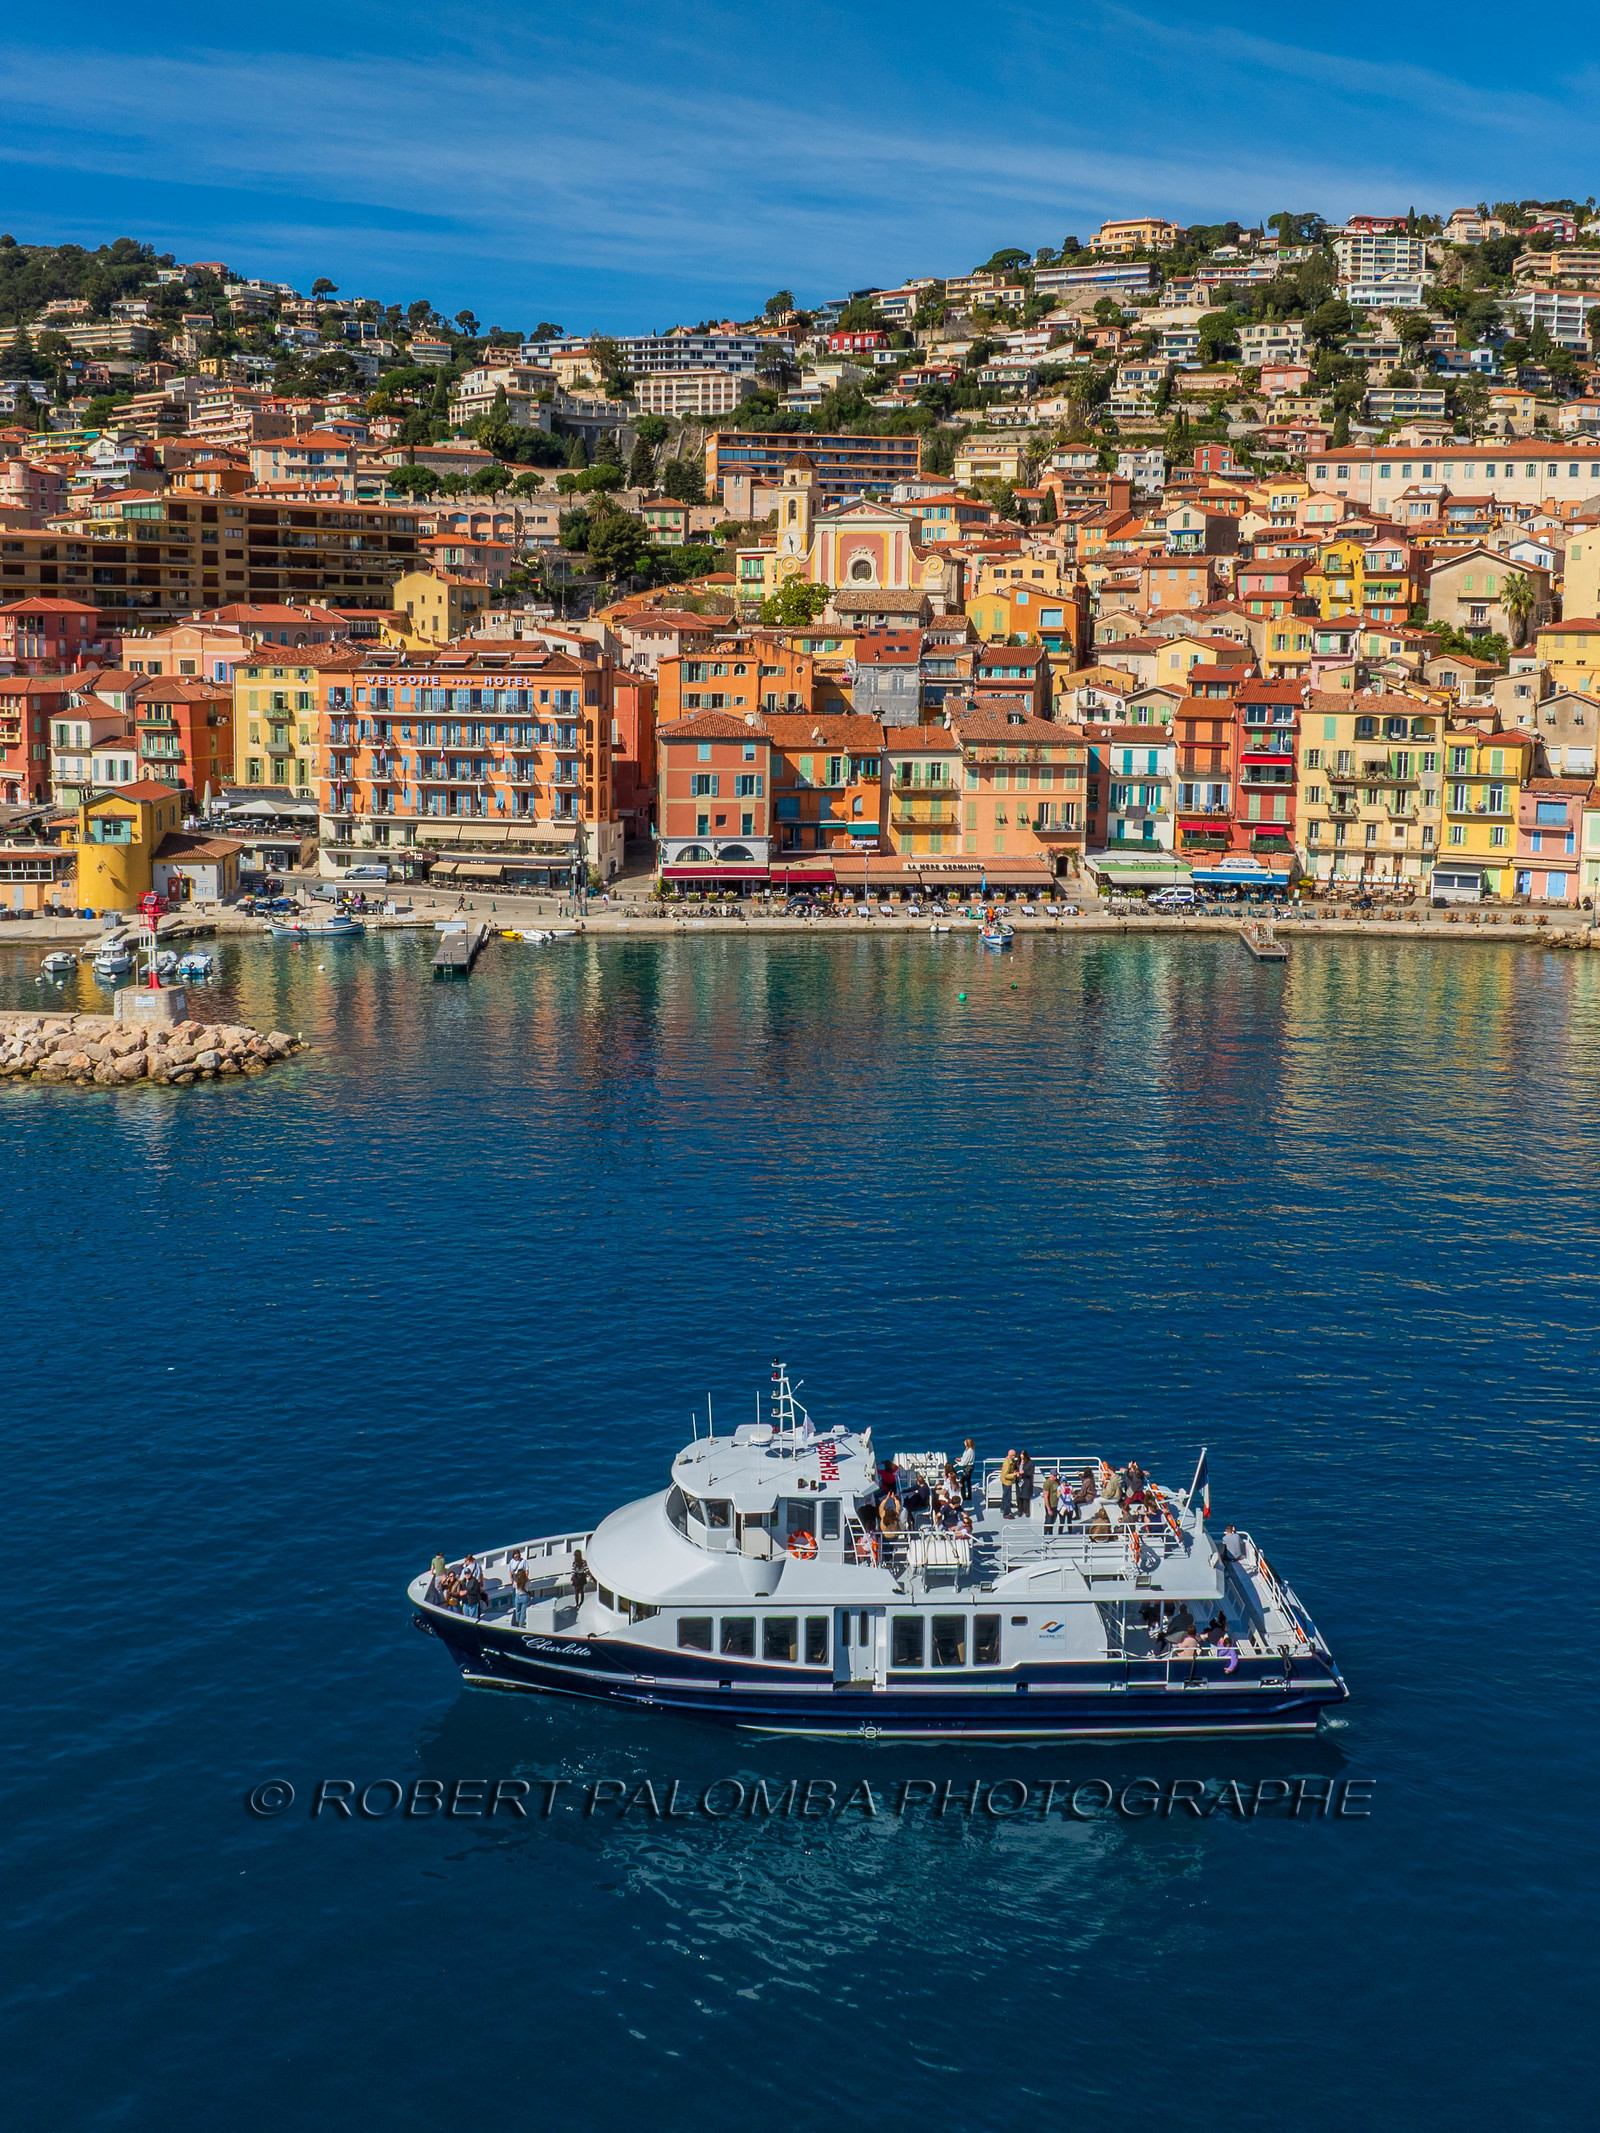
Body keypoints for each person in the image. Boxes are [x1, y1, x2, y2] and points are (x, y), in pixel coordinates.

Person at [509, 1550, 532, 1628]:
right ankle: (521, 1624)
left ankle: (517, 1621)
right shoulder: (527, 1582)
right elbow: (529, 1587)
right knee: (523, 1611)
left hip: (518, 1596)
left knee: (517, 1609)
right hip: (524, 1596)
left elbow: (514, 1586)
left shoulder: (523, 1561)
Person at [570, 1547, 592, 1613]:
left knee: (576, 1592)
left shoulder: (574, 1563)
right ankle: (581, 1603)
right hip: (582, 1577)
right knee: (582, 1591)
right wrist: (589, 1576)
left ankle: (577, 1604)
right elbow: (586, 1570)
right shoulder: (584, 1562)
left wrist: (572, 1578)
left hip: (576, 1578)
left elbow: (573, 1572)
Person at [999, 1448, 1019, 1519]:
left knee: (1005, 1495)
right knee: (1008, 1498)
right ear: (1011, 1456)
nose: (1015, 1457)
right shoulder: (1007, 1464)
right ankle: (1006, 1514)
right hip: (1007, 1482)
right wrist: (1014, 1475)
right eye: (1014, 1455)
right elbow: (1006, 1475)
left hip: (1005, 1481)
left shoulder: (1009, 1461)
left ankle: (1002, 1508)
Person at [1016, 1449, 1035, 1521]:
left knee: (1026, 1497)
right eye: (1020, 1454)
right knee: (1019, 1496)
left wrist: (1024, 1472)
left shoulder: (1030, 1463)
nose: (1021, 1456)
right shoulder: (1018, 1462)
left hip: (1026, 1481)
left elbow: (1031, 1473)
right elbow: (1015, 1469)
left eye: (1023, 1454)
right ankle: (1020, 1510)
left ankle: (1027, 1511)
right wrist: (1017, 1473)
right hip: (1019, 1480)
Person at [1041, 1470, 1062, 1536]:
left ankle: (1050, 1533)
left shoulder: (1057, 1482)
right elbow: (1046, 1497)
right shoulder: (1047, 1483)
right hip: (1050, 1505)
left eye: (1056, 1475)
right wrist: (1049, 1509)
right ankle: (1045, 1534)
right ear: (1050, 1475)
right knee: (1048, 1521)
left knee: (1053, 1520)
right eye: (1054, 1475)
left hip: (1056, 1505)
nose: (1055, 1477)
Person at [956, 1438, 976, 1503]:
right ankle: (969, 1496)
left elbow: (964, 1462)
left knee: (961, 1482)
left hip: (968, 1468)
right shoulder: (971, 1449)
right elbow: (966, 1458)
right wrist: (961, 1459)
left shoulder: (969, 1451)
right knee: (968, 1481)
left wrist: (958, 1463)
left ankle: (964, 1497)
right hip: (970, 1467)